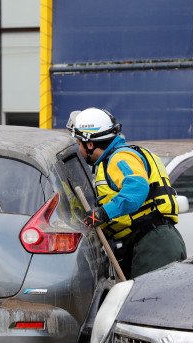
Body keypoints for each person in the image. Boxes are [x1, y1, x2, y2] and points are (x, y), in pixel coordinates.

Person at [68, 107, 186, 278]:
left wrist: (102, 214)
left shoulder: (120, 158)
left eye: (79, 144)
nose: (78, 149)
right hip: (149, 240)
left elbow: (137, 188)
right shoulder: (114, 159)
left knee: (150, 301)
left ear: (90, 143)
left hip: (154, 243)